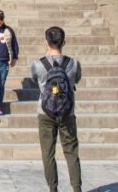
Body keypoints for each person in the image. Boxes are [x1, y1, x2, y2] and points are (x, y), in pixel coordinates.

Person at [31, 26, 83, 192]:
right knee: (71, 151)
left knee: (48, 152)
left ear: (46, 42)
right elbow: (77, 79)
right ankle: (77, 188)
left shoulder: (38, 65)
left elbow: (35, 81)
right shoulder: (73, 63)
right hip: (67, 111)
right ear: (64, 42)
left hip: (45, 112)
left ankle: (53, 188)